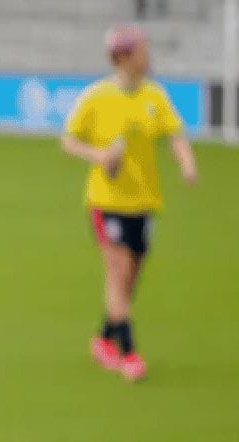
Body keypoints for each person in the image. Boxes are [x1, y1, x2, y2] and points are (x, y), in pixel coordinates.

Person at [59, 25, 197, 382]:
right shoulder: (96, 98)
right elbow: (69, 141)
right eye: (141, 50)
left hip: (144, 201)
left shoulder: (154, 96)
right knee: (118, 271)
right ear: (123, 56)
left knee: (129, 278)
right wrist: (100, 156)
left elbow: (174, 134)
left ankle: (105, 340)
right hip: (106, 201)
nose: (147, 56)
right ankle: (129, 353)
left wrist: (186, 163)